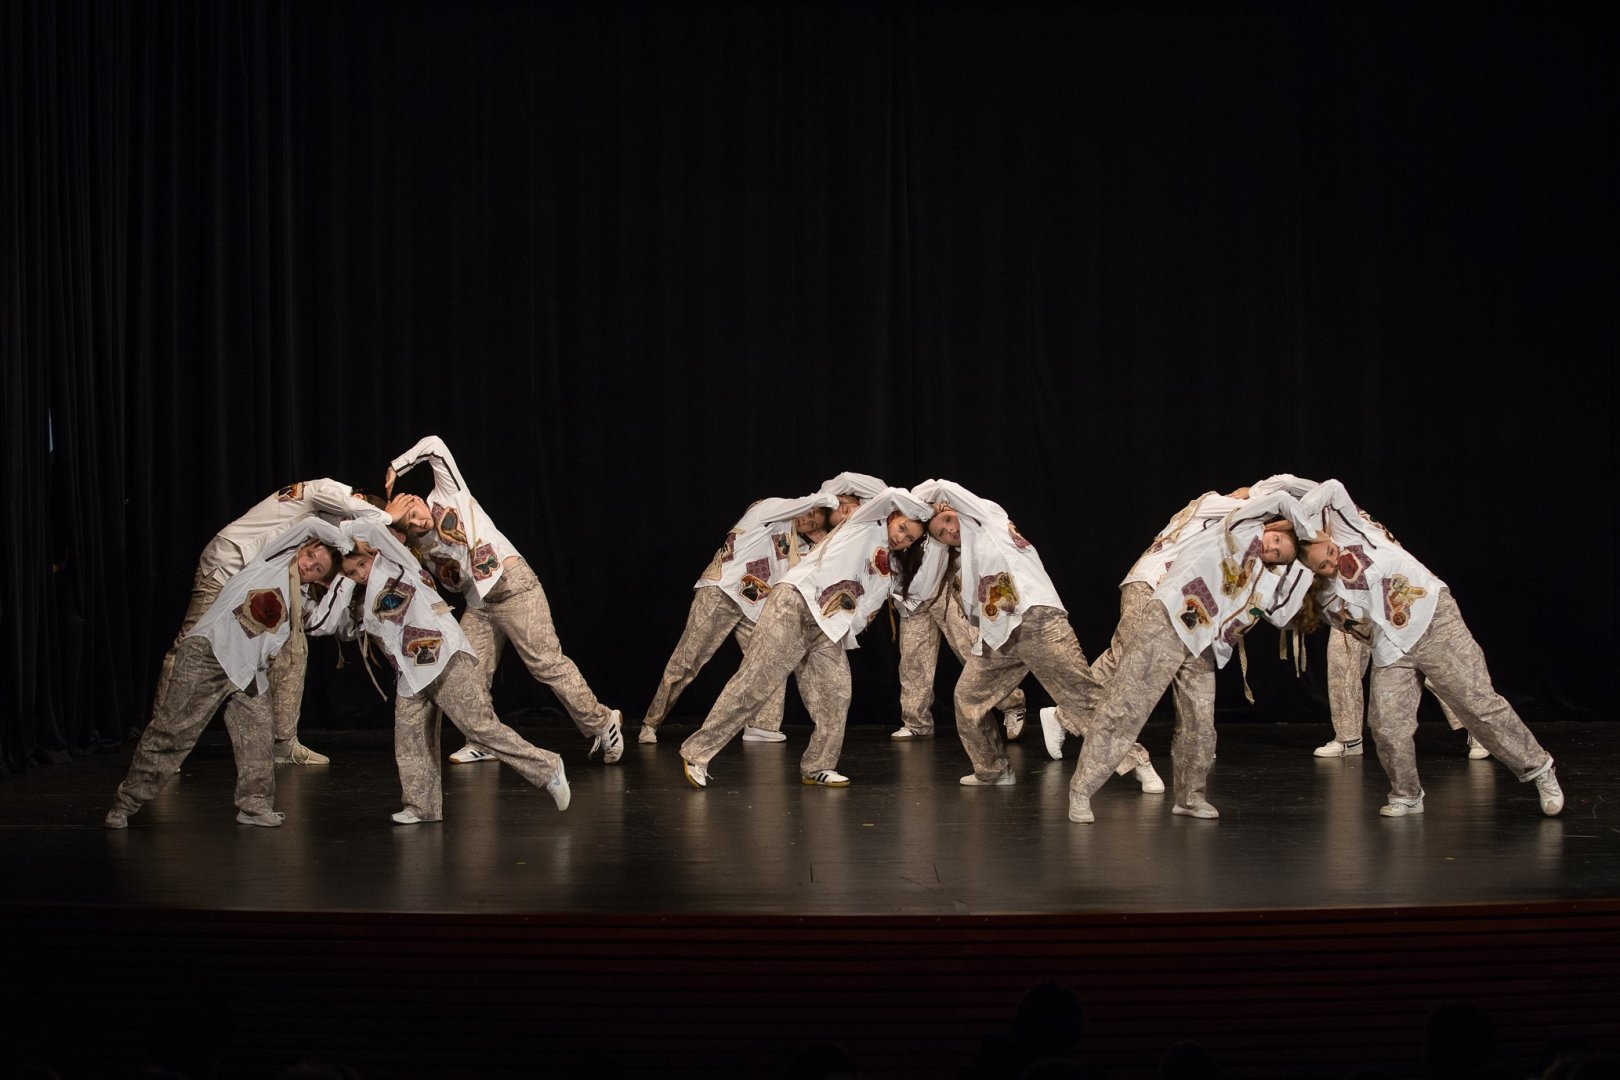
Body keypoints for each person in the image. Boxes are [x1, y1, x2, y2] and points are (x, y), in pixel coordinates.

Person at [1295, 479, 1563, 818]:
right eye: (1323, 566)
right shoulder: (1321, 595)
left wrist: (1294, 518)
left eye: (1330, 553)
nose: (1333, 563)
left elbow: (1332, 487)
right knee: (1387, 726)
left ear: (1330, 539)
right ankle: (1407, 794)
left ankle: (1539, 769)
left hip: (1434, 621)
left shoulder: (1352, 531)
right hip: (1391, 648)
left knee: (1479, 706)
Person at [1066, 489, 1319, 823]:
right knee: (1126, 708)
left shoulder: (1264, 579)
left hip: (1201, 646)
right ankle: (1081, 790)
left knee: (1200, 726)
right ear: (1272, 527)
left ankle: (1189, 798)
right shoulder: (1240, 526)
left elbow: (1284, 616)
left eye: (1278, 555)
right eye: (1275, 541)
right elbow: (1284, 496)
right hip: (1167, 621)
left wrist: (1305, 564)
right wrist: (1308, 532)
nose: (1270, 550)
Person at [911, 479, 1166, 793]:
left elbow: (941, 486)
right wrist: (934, 539)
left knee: (1082, 698)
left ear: (955, 509)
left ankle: (1139, 762)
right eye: (941, 533)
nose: (950, 530)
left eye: (949, 520)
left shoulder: (989, 518)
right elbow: (924, 590)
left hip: (1039, 621)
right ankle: (993, 770)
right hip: (999, 637)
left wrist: (924, 506)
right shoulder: (962, 562)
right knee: (967, 698)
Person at [386, 435, 623, 766]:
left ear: (418, 499)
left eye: (414, 511)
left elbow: (435, 446)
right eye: (409, 522)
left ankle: (603, 721)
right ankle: (484, 742)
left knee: (546, 663)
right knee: (469, 672)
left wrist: (396, 467)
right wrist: (399, 526)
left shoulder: (447, 495)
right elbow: (445, 578)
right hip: (480, 605)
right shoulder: (421, 549)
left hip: (514, 586)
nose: (417, 520)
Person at [679, 487, 933, 788]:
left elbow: (872, 606)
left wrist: (845, 629)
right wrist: (928, 510)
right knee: (754, 683)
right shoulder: (866, 521)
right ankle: (697, 753)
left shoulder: (887, 567)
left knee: (836, 695)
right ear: (892, 518)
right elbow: (890, 494)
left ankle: (817, 766)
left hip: (826, 628)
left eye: (909, 538)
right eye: (902, 528)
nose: (901, 538)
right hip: (795, 604)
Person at [105, 520, 349, 828]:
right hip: (210, 654)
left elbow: (325, 624)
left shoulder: (300, 601)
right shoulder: (272, 560)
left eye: (317, 569)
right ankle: (126, 803)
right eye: (311, 556)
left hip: (248, 673)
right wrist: (348, 542)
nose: (308, 565)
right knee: (173, 732)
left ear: (321, 580)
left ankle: (254, 806)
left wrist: (347, 577)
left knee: (258, 739)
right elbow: (311, 523)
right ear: (304, 548)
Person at [153, 478, 406, 766]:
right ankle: (162, 747)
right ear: (358, 502)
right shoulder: (326, 491)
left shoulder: (324, 545)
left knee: (292, 649)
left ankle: (282, 742)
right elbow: (343, 514)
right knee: (190, 649)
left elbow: (321, 622)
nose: (370, 545)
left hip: (258, 583)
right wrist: (388, 517)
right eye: (373, 539)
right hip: (230, 565)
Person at [335, 521, 571, 823]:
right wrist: (344, 585)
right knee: (410, 737)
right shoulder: (363, 598)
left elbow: (373, 529)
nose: (361, 573)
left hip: (442, 658)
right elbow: (333, 627)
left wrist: (341, 531)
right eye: (352, 573)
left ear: (372, 553)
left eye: (361, 564)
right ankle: (422, 806)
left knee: (479, 727)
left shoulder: (395, 562)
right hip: (410, 673)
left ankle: (548, 768)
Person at [639, 486, 839, 745]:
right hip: (721, 591)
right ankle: (651, 722)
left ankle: (762, 726)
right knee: (688, 659)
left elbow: (818, 564)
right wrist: (829, 498)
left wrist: (819, 535)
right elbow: (807, 503)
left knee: (770, 658)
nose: (806, 520)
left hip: (753, 607)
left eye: (812, 523)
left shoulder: (796, 546)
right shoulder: (769, 508)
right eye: (809, 514)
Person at [891, 536, 1027, 742]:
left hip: (942, 585)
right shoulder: (889, 526)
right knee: (912, 659)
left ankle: (1012, 704)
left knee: (970, 649)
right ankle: (916, 722)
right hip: (910, 595)